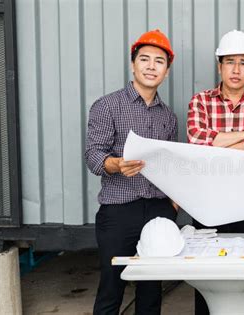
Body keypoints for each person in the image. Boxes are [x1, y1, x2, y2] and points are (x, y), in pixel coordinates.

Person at [85, 29, 178, 315]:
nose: (151, 66)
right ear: (133, 64)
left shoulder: (168, 116)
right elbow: (93, 155)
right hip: (118, 211)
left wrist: (173, 205)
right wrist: (115, 164)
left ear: (167, 70)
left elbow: (172, 166)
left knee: (151, 290)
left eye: (159, 61)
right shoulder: (107, 106)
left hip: (159, 211)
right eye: (145, 59)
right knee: (112, 287)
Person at [187, 30, 244, 315]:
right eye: (229, 62)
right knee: (207, 271)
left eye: (243, 62)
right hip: (208, 201)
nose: (236, 69)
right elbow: (197, 139)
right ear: (219, 66)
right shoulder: (200, 101)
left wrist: (220, 143)